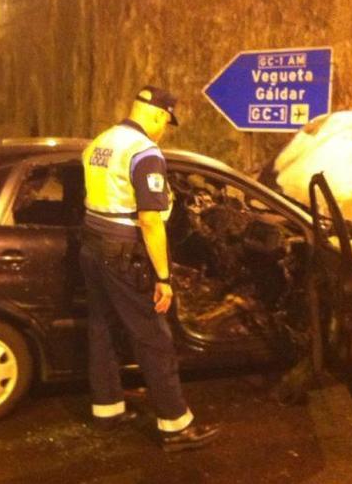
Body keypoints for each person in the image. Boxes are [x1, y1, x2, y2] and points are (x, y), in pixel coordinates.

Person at [79, 85, 220, 452]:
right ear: (159, 115)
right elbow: (150, 221)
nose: (163, 130)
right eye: (165, 123)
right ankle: (175, 425)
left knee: (101, 327)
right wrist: (163, 277)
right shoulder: (144, 152)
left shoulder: (101, 142)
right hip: (123, 250)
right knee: (153, 336)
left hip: (92, 244)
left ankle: (107, 411)